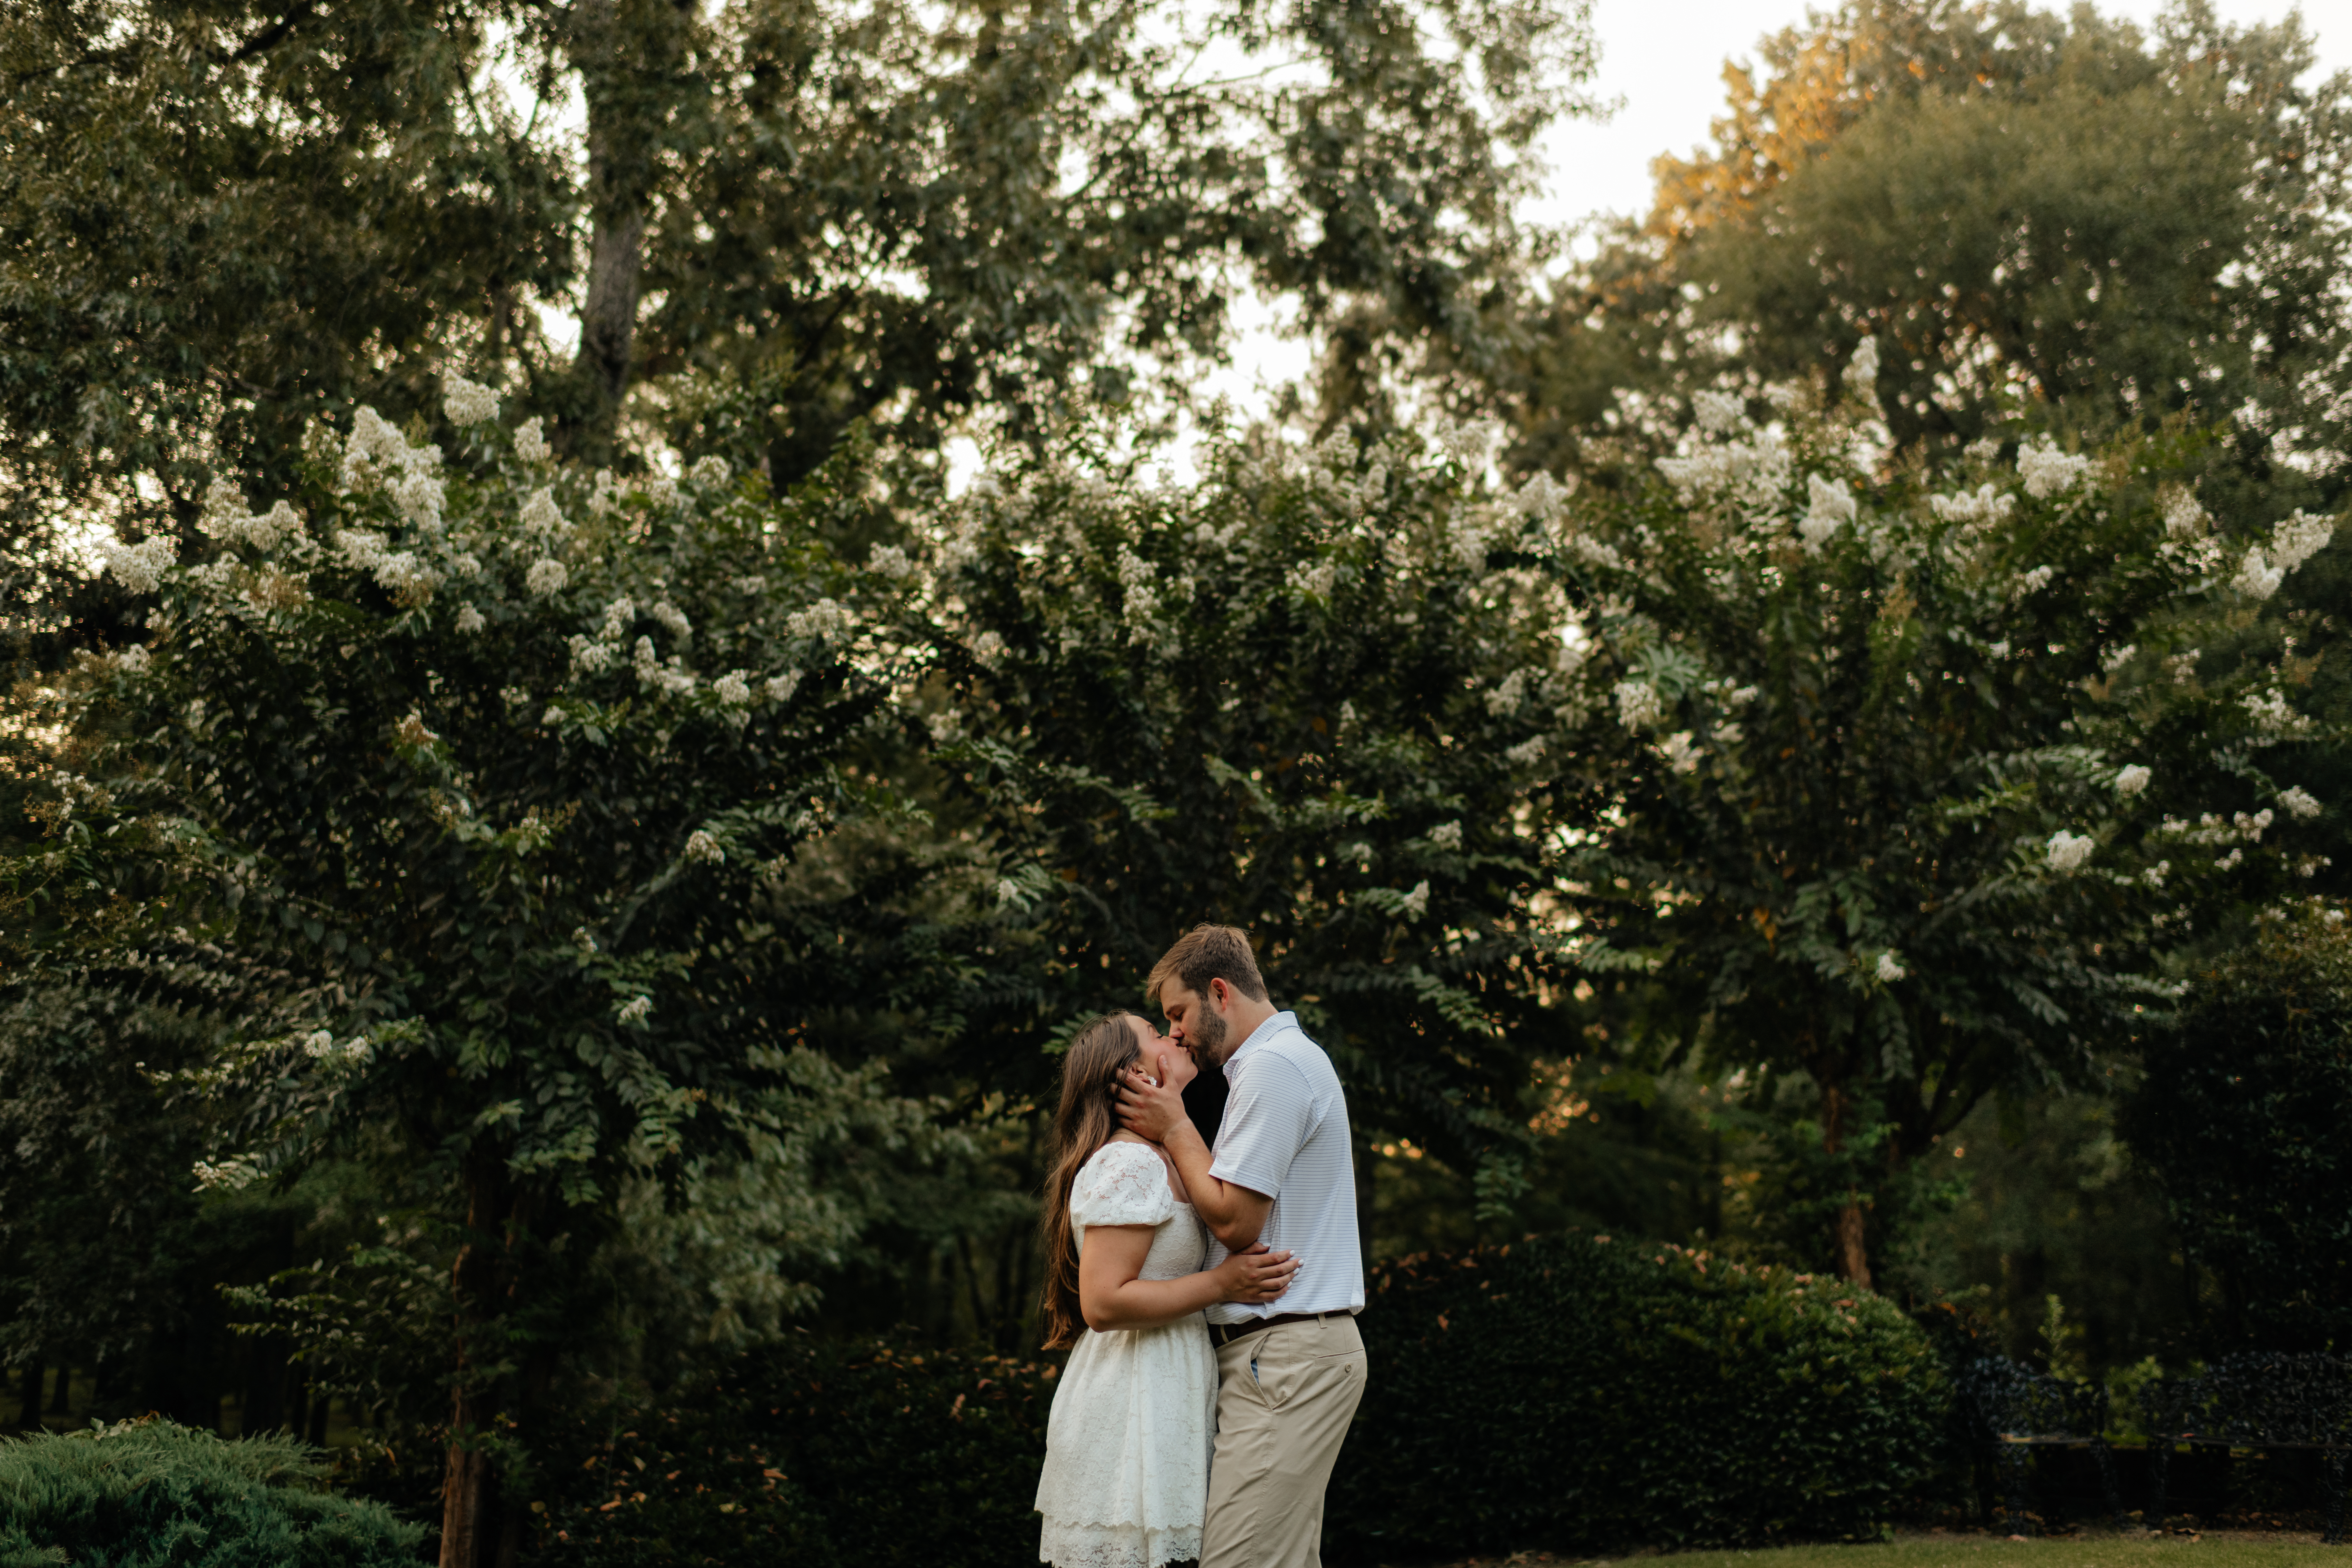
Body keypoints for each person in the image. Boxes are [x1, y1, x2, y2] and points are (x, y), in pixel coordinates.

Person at [1114, 925, 1367, 1568]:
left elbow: (1235, 1222)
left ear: (1220, 993)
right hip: (1280, 1354)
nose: (1175, 1033)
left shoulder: (1273, 1068)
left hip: (1285, 1354)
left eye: (1179, 1013)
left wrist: (1176, 1127)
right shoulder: (1273, 1064)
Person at [1034, 1010, 1302, 1568]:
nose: (1173, 1034)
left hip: (1171, 1379)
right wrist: (1222, 1283)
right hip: (1131, 1393)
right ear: (1137, 1074)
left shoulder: (1168, 1156)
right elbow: (1103, 1303)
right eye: (1156, 1033)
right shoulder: (1130, 1162)